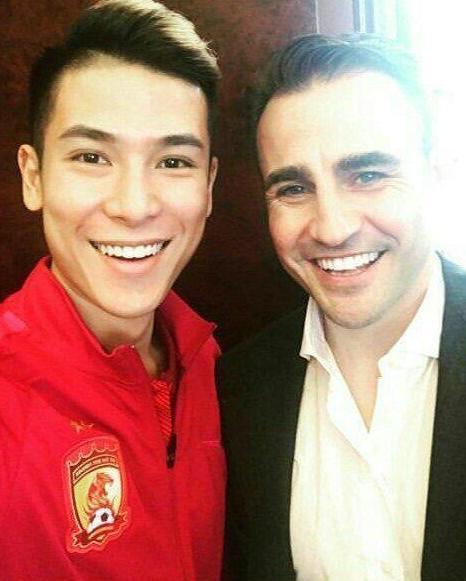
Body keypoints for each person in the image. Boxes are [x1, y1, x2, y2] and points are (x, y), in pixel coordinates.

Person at [219, 33, 466, 580]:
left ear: (438, 173)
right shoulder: (236, 390)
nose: (332, 228)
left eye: (368, 175)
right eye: (293, 189)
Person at [0, 1, 225, 579]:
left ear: (208, 186)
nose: (134, 206)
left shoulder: (209, 362)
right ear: (33, 177)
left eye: (173, 162)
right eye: (92, 157)